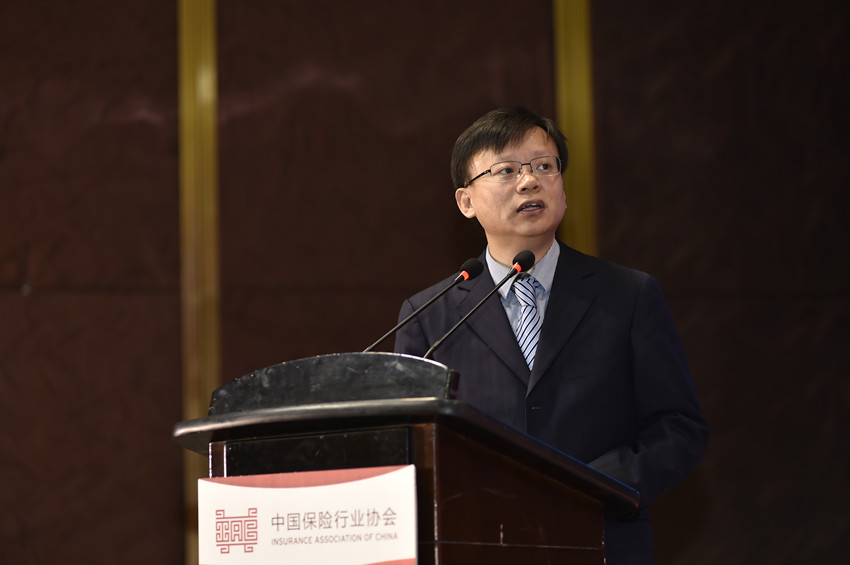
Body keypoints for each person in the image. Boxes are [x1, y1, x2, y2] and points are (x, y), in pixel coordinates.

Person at [394, 107, 709, 564]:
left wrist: (597, 485)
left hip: (602, 541)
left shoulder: (628, 295)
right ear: (466, 202)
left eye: (544, 166)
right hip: (478, 546)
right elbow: (411, 448)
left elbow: (679, 427)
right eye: (506, 170)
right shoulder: (429, 317)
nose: (529, 181)